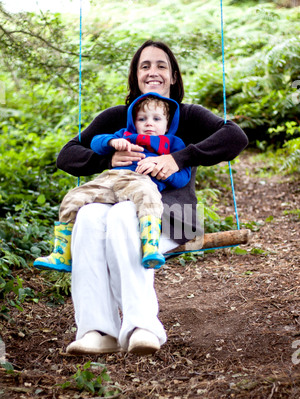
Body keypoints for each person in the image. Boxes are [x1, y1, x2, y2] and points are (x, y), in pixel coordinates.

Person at [56, 40, 248, 356]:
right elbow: (67, 154)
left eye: (161, 65)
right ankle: (97, 330)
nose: (153, 72)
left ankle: (143, 326)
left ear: (173, 75)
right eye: (145, 66)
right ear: (135, 76)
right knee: (89, 216)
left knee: (121, 217)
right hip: (117, 203)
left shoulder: (188, 116)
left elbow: (235, 138)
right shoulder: (120, 118)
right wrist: (104, 161)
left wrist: (180, 157)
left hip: (177, 216)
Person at [33, 93, 191, 272]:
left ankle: (150, 247)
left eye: (156, 118)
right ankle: (62, 253)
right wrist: (112, 142)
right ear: (134, 121)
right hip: (109, 180)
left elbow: (183, 177)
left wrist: (165, 174)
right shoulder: (125, 134)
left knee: (148, 196)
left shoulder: (173, 143)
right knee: (74, 196)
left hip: (140, 180)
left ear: (167, 124)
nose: (149, 123)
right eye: (142, 118)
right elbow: (95, 142)